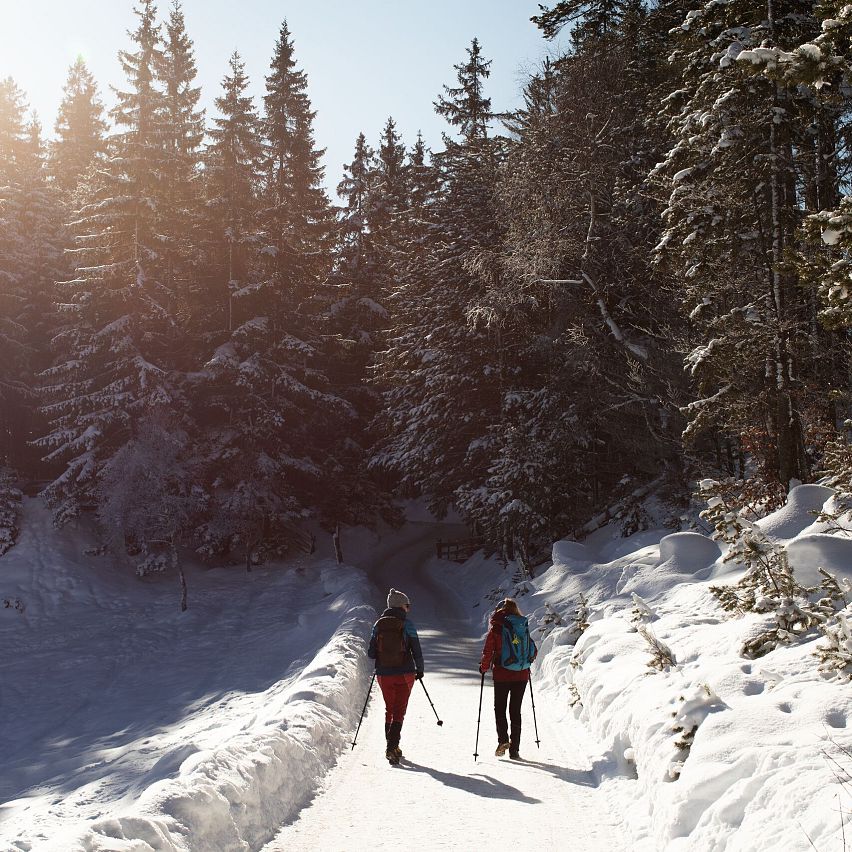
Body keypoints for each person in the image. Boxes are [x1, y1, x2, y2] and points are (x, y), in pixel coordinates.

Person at [368, 588, 424, 764]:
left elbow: (370, 653)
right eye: (407, 605)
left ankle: (391, 746)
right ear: (401, 606)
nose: (409, 608)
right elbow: (417, 650)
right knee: (399, 710)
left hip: (384, 674)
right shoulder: (408, 625)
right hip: (405, 673)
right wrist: (420, 669)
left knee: (389, 709)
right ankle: (392, 746)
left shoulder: (378, 625)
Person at [479, 597, 536, 759]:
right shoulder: (522, 625)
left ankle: (503, 739)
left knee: (500, 708)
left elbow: (488, 651)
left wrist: (483, 667)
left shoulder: (497, 628)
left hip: (502, 674)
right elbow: (533, 649)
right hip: (522, 674)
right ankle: (515, 749)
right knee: (515, 710)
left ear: (499, 611)